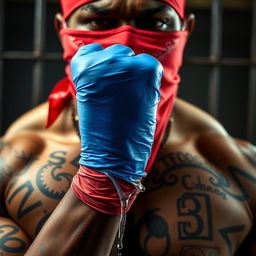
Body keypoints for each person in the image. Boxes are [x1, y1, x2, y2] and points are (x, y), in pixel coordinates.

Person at [0, 0, 255, 255]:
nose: (125, 42)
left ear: (186, 29)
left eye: (154, 23)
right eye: (101, 22)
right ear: (61, 29)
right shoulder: (14, 158)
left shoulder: (236, 163)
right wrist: (100, 179)